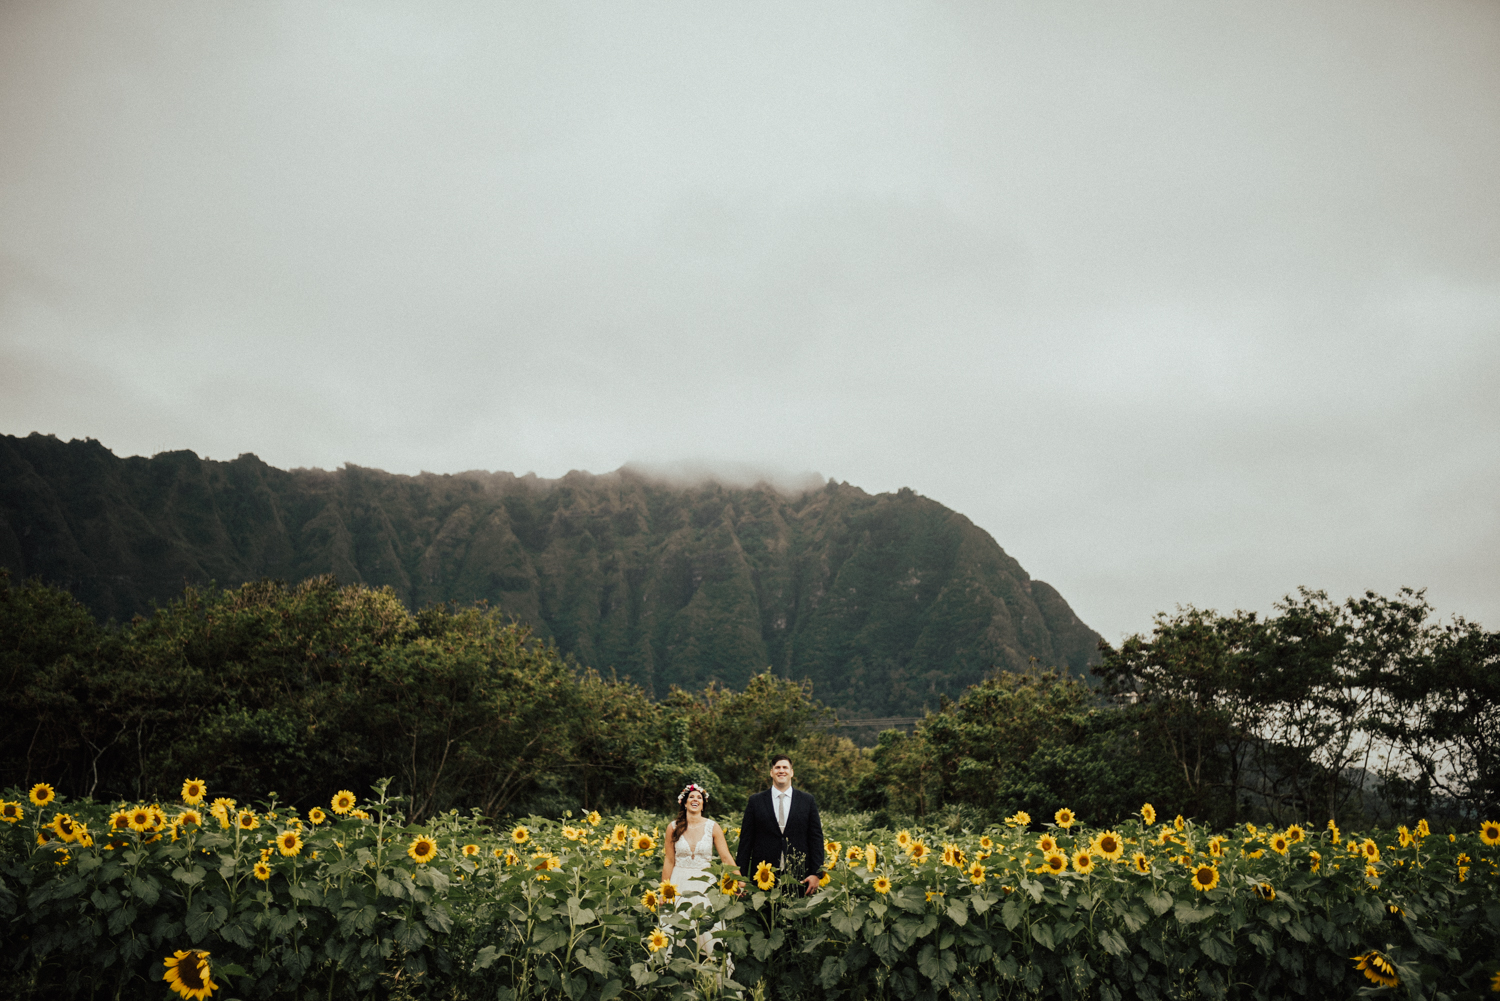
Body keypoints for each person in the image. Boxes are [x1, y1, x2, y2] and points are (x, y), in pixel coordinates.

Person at [661, 783, 738, 958]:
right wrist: (663, 891)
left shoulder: (713, 827)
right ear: (684, 803)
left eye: (699, 798)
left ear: (703, 804)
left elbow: (725, 857)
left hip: (705, 883)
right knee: (675, 927)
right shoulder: (673, 827)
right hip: (679, 881)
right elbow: (669, 860)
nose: (696, 800)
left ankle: (711, 975)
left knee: (709, 928)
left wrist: (739, 881)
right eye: (691, 797)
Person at [735, 754, 824, 895]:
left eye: (785, 767)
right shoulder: (755, 801)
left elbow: (816, 839)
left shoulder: (807, 801)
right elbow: (746, 842)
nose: (781, 771)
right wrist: (740, 877)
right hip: (763, 876)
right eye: (777, 767)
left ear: (792, 772)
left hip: (799, 876)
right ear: (771, 772)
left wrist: (816, 873)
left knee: (797, 915)